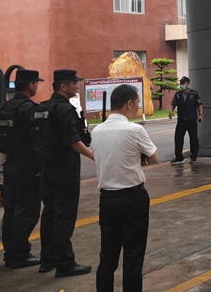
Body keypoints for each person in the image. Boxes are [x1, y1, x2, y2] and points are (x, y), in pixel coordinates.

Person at [90, 84, 158, 292]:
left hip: (107, 199)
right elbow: (154, 157)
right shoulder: (135, 130)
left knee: (107, 257)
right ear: (129, 103)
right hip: (132, 198)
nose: (138, 107)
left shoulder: (96, 131)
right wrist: (138, 161)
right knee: (133, 255)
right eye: (137, 103)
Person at [34, 69, 94, 278]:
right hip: (65, 168)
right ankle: (65, 263)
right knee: (64, 215)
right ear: (63, 86)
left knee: (50, 212)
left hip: (47, 166)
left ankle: (47, 259)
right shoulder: (65, 109)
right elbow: (73, 141)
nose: (77, 86)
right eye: (74, 83)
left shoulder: (42, 108)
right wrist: (95, 156)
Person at [0, 69, 44, 269]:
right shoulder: (29, 109)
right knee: (27, 210)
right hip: (28, 165)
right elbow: (37, 138)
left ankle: (10, 253)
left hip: (11, 164)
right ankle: (20, 254)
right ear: (31, 84)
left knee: (11, 210)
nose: (37, 86)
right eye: (36, 83)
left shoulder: (5, 108)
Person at [169, 76, 202, 164]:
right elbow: (173, 104)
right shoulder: (178, 94)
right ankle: (179, 157)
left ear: (188, 84)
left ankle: (194, 157)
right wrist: (171, 111)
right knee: (178, 139)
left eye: (184, 83)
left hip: (191, 120)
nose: (182, 85)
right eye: (181, 83)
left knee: (193, 139)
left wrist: (200, 115)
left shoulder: (194, 94)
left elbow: (199, 104)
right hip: (181, 121)